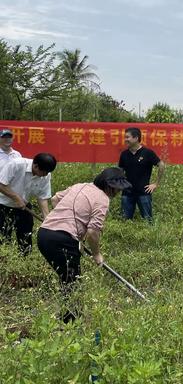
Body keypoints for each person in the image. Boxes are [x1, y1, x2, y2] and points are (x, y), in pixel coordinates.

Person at [37, 167, 131, 323]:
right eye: (117, 189)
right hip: (62, 240)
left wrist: (64, 219)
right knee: (72, 281)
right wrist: (96, 254)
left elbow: (54, 200)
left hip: (44, 234)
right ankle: (70, 322)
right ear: (109, 186)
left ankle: (69, 316)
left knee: (68, 278)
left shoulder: (80, 185)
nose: (118, 192)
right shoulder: (102, 199)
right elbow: (93, 233)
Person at [0, 153, 56, 254]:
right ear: (35, 166)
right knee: (3, 238)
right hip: (3, 205)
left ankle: (26, 258)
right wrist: (16, 198)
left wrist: (46, 218)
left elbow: (42, 197)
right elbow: (1, 185)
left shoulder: (45, 175)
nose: (46, 175)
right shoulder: (16, 164)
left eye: (48, 172)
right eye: (44, 172)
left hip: (23, 207)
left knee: (26, 236)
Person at [118, 127, 165, 222]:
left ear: (136, 138)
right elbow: (120, 170)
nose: (125, 140)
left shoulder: (148, 153)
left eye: (128, 137)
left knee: (148, 221)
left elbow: (161, 165)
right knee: (125, 221)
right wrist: (119, 184)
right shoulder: (124, 154)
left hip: (144, 193)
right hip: (127, 193)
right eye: (125, 137)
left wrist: (156, 184)